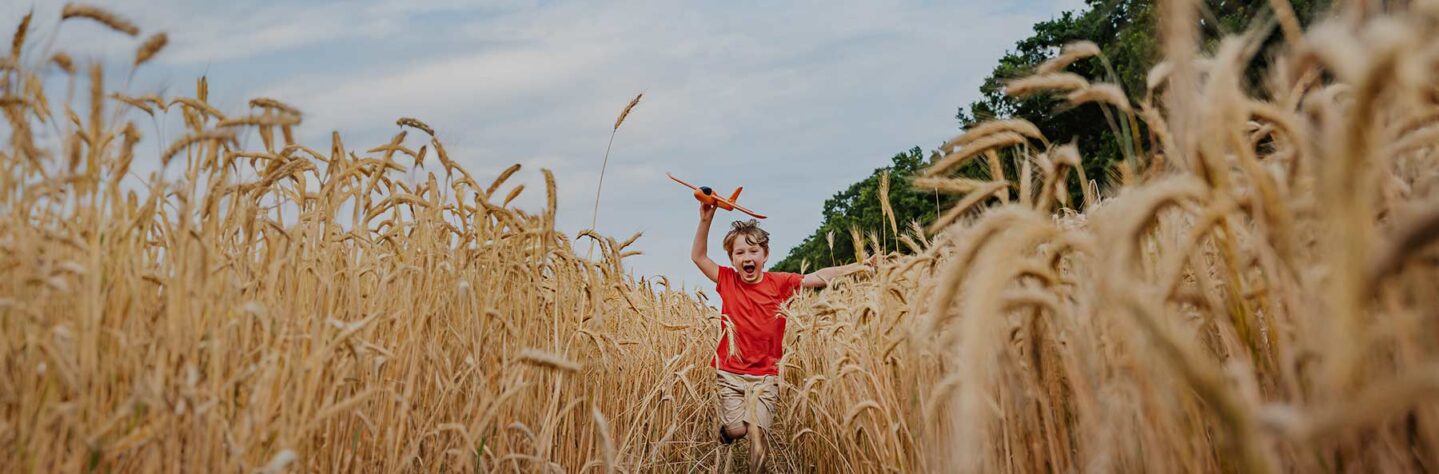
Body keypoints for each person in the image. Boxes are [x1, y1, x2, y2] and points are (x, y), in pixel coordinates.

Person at [690, 202, 877, 471]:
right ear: (732, 259)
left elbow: (819, 276)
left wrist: (859, 267)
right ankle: (728, 432)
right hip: (730, 373)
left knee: (758, 434)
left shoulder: (780, 282)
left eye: (753, 251)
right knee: (738, 429)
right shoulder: (727, 280)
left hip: (766, 374)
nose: (747, 257)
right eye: (739, 252)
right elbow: (698, 257)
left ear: (765, 255)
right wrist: (706, 219)